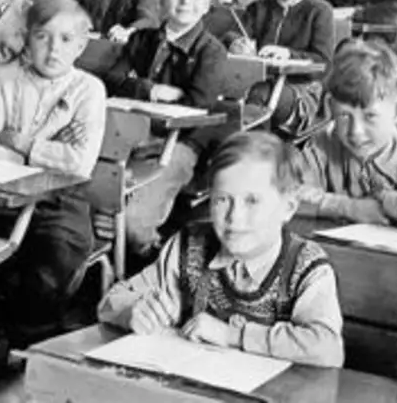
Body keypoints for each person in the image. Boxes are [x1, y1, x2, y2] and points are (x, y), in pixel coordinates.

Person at [97, 131, 344, 367]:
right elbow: (113, 300)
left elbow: (327, 350)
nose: (234, 217)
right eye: (222, 200)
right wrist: (132, 311)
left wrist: (233, 336)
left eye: (252, 201)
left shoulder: (305, 265)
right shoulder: (189, 246)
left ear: (288, 207)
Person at [0, 0, 107, 344]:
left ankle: (28, 350)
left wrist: (24, 145)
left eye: (65, 39)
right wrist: (44, 157)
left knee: (47, 270)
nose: (52, 49)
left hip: (62, 207)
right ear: (27, 39)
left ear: (80, 46)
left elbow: (79, 163)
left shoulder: (87, 90)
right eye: (42, 37)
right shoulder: (6, 82)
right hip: (1, 202)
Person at [105, 0, 228, 258]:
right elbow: (114, 79)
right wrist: (152, 91)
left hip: (181, 144)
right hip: (130, 138)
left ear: (207, 2)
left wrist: (141, 99)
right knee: (95, 203)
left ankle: (152, 260)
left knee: (132, 223)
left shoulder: (211, 51)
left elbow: (196, 106)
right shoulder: (141, 39)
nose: (186, 2)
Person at [298, 38, 397, 237]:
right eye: (344, 116)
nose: (355, 131)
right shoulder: (323, 142)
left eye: (370, 117)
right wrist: (350, 208)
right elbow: (286, 197)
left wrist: (384, 197)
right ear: (329, 105)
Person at [223, 0, 337, 144]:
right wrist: (236, 43)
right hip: (255, 84)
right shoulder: (259, 8)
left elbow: (324, 64)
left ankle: (255, 154)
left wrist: (289, 54)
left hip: (302, 92)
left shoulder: (320, 11)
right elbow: (233, 34)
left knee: (259, 94)